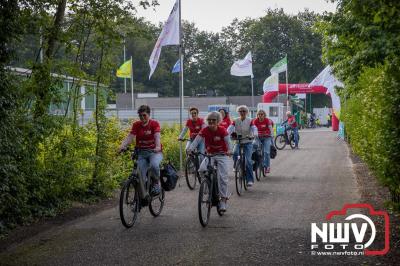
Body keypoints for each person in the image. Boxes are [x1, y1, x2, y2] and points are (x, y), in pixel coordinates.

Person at [188, 111, 232, 212]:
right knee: (201, 170)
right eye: (209, 121)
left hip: (222, 155)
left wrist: (229, 150)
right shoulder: (205, 130)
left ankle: (223, 201)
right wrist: (190, 149)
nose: (211, 122)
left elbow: (228, 142)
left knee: (223, 178)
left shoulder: (222, 130)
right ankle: (207, 184)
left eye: (214, 120)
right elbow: (197, 140)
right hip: (210, 155)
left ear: (218, 121)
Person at [119, 105, 163, 195]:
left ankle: (156, 183)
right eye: (140, 115)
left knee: (154, 165)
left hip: (154, 152)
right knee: (140, 178)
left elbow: (157, 136)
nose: (142, 117)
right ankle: (141, 198)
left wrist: (158, 146)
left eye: (144, 115)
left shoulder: (154, 124)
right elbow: (130, 137)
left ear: (148, 114)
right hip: (141, 153)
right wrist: (122, 146)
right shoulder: (136, 125)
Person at [227, 105, 258, 186]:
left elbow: (254, 128)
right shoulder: (235, 120)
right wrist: (226, 134)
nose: (242, 112)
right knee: (235, 152)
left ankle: (250, 180)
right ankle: (236, 165)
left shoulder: (250, 120)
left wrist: (254, 135)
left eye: (244, 111)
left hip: (248, 141)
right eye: (240, 111)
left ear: (247, 112)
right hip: (238, 141)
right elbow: (230, 128)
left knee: (248, 161)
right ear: (238, 112)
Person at [252, 109, 273, 175]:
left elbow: (270, 128)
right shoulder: (255, 121)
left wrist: (272, 135)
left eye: (262, 114)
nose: (260, 115)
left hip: (267, 137)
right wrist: (253, 135)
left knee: (266, 152)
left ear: (264, 115)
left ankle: (267, 166)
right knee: (254, 146)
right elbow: (253, 129)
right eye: (259, 114)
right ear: (257, 115)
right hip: (258, 137)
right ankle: (255, 162)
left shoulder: (267, 120)